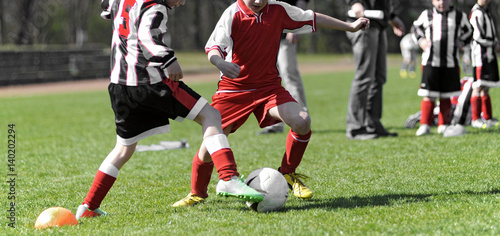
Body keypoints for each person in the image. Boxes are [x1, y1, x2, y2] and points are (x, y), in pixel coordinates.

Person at [75, 0, 265, 219]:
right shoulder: (155, 7)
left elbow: (106, 8)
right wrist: (168, 59)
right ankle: (228, 178)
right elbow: (147, 37)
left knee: (123, 149)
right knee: (211, 115)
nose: (183, 2)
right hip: (151, 83)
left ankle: (88, 206)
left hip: (120, 86)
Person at [172, 0, 370, 206]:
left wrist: (350, 26)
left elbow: (312, 17)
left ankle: (287, 173)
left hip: (268, 88)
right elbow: (214, 48)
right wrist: (220, 62)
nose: (258, 1)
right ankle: (197, 193)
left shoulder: (278, 10)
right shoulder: (232, 14)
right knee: (208, 149)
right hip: (233, 90)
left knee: (302, 121)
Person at [345, 0, 405, 140]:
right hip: (363, 24)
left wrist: (391, 16)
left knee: (379, 77)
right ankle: (355, 128)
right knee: (364, 78)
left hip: (379, 25)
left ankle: (372, 124)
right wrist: (355, 3)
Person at [412, 0, 473, 136]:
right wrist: (421, 40)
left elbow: (469, 31)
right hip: (430, 62)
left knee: (446, 95)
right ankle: (425, 124)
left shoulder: (458, 16)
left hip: (450, 63)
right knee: (429, 94)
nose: (441, 2)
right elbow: (415, 28)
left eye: (445, 0)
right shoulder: (426, 15)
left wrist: (461, 41)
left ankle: (443, 124)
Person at [257, 0, 309, 135]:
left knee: (288, 73)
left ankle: (300, 117)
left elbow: (302, 1)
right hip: (264, 33)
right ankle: (274, 123)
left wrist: (296, 26)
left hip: (286, 33)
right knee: (267, 77)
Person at [468, 0, 500, 129]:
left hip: (489, 54)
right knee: (478, 85)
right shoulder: (476, 13)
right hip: (480, 55)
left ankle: (487, 117)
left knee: (486, 86)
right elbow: (477, 36)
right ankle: (475, 118)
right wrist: (492, 43)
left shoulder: (487, 11)